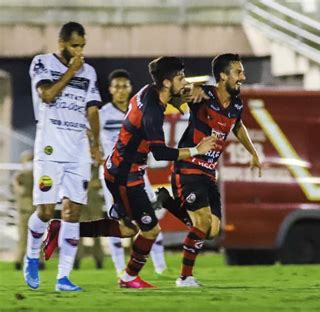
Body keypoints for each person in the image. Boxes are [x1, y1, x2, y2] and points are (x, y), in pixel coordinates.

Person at [43, 56, 217, 289]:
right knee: (150, 229)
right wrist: (197, 149)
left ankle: (61, 227)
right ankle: (128, 277)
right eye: (180, 78)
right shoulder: (153, 112)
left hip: (120, 171)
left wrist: (193, 92)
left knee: (127, 229)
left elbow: (177, 98)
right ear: (166, 82)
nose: (183, 82)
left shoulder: (149, 91)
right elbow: (160, 153)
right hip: (125, 176)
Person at [157, 53, 262, 287]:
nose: (243, 77)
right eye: (238, 72)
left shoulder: (236, 103)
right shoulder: (203, 95)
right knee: (202, 224)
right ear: (223, 76)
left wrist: (252, 152)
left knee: (212, 230)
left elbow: (237, 125)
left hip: (208, 173)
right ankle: (185, 278)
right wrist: (189, 89)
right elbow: (173, 96)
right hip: (188, 169)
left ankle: (167, 203)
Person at [24, 21, 102, 291]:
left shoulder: (89, 72)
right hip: (50, 148)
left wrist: (95, 143)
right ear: (61, 43)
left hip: (77, 149)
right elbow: (47, 95)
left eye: (82, 46)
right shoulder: (42, 62)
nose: (79, 51)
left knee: (72, 212)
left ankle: (63, 278)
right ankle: (32, 256)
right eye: (74, 46)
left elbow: (92, 109)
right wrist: (71, 70)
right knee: (45, 212)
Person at [99, 69, 167, 276]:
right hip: (114, 172)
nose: (120, 90)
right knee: (117, 218)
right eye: (116, 86)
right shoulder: (102, 114)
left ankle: (160, 267)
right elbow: (90, 140)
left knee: (150, 213)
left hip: (137, 170)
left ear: (130, 89)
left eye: (124, 86)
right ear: (110, 90)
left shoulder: (136, 112)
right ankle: (120, 267)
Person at [12, 150, 43, 270]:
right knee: (26, 236)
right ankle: (20, 260)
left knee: (33, 236)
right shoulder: (21, 176)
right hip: (27, 210)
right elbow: (20, 192)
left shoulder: (35, 175)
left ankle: (35, 261)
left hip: (33, 210)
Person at [74, 163, 104, 270]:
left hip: (95, 205)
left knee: (97, 234)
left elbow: (102, 183)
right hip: (81, 205)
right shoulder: (78, 168)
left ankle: (99, 260)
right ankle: (77, 260)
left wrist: (88, 184)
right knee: (79, 233)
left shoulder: (99, 168)